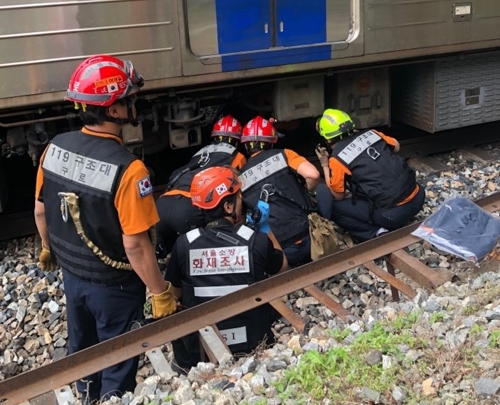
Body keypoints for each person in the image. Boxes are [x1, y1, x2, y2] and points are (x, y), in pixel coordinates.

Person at [33, 55, 177, 403]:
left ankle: (85, 393)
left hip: (73, 276)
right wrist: (160, 292)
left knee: (81, 347)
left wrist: (48, 249)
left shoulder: (54, 148)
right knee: (117, 355)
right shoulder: (129, 170)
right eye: (129, 98)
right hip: (115, 287)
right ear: (113, 111)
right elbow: (136, 246)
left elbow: (40, 211)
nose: (134, 103)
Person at [164, 166, 288, 372]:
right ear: (229, 206)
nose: (243, 201)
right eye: (239, 197)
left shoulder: (184, 243)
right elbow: (283, 268)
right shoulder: (255, 240)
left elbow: (174, 293)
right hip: (253, 340)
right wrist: (266, 229)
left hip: (202, 349)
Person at [314, 108, 425, 242]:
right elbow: (396, 146)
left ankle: (376, 232)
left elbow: (338, 196)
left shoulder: (337, 159)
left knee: (334, 208)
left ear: (327, 137)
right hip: (418, 197)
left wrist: (325, 166)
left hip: (392, 216)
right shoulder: (371, 133)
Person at [155, 115, 246, 257]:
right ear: (238, 139)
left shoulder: (201, 152)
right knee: (201, 254)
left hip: (161, 205)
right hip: (188, 208)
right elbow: (238, 187)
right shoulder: (237, 155)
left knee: (166, 259)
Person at [238, 116, 320, 266]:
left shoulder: (239, 178)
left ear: (246, 146)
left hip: (282, 250)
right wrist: (310, 193)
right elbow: (313, 175)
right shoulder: (284, 154)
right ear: (271, 142)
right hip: (312, 237)